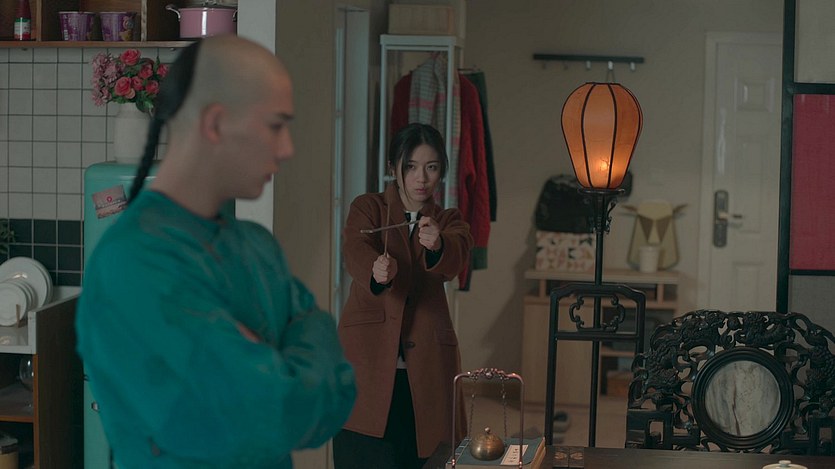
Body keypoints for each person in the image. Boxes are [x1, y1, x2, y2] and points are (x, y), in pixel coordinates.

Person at [75, 36, 356, 468]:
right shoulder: (133, 263)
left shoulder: (258, 245)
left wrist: (278, 365)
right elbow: (268, 416)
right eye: (275, 126)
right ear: (215, 123)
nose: (287, 149)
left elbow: (337, 398)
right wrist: (301, 341)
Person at [333, 123, 474, 468]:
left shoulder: (448, 219)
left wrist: (438, 244)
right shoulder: (368, 207)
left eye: (431, 167)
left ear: (442, 171)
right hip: (366, 360)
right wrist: (375, 269)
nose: (421, 178)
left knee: (424, 454)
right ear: (393, 168)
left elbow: (457, 254)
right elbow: (354, 246)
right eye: (411, 166)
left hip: (426, 364)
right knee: (363, 452)